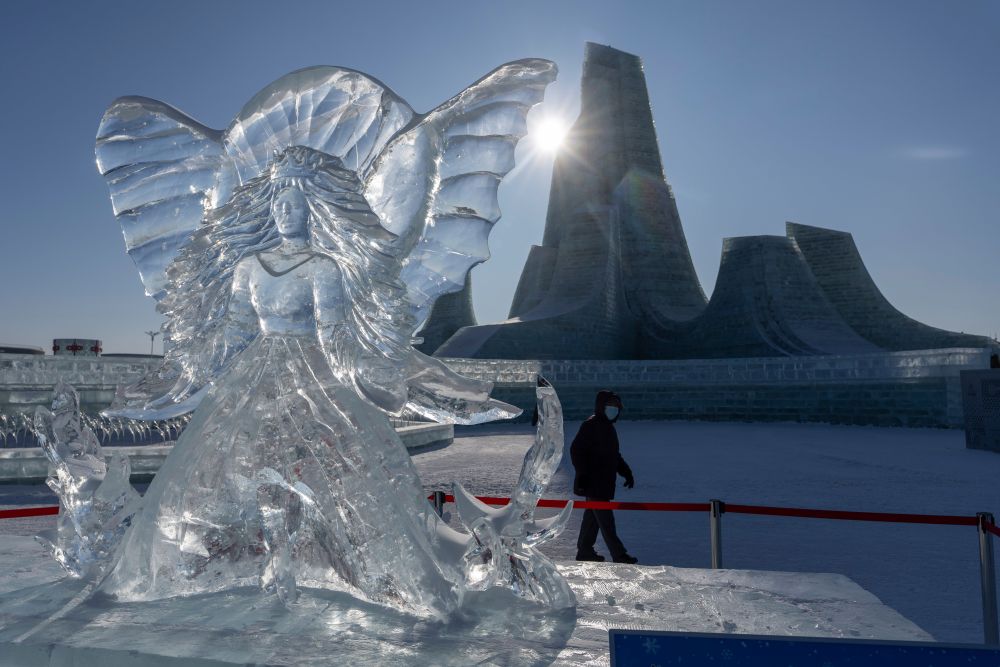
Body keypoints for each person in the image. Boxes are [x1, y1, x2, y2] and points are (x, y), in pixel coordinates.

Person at [570, 390, 638, 564]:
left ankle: (585, 550)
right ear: (601, 406)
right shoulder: (590, 425)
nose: (614, 410)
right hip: (593, 483)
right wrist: (582, 474)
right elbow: (576, 450)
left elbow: (614, 455)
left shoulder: (608, 428)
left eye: (617, 407)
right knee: (606, 522)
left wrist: (626, 472)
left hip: (603, 483)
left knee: (592, 519)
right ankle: (619, 554)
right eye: (611, 406)